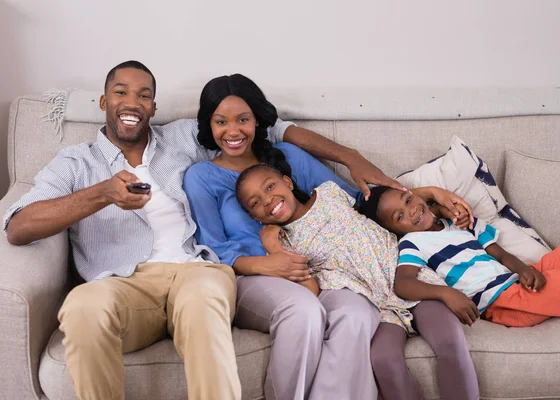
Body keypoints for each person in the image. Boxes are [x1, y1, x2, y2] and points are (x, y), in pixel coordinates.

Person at [2, 61, 416, 400]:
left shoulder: (180, 138)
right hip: (121, 282)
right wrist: (101, 195)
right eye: (121, 92)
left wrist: (350, 156)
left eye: (144, 94)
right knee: (81, 308)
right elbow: (19, 226)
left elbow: (263, 131)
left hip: (196, 271)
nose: (132, 102)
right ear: (102, 101)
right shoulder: (76, 162)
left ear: (153, 105)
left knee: (206, 300)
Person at [182, 73, 476, 400]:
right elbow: (213, 249)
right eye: (221, 121)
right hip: (254, 276)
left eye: (243, 119)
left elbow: (359, 202)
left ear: (257, 120)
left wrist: (429, 195)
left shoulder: (287, 158)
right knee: (313, 311)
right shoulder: (201, 177)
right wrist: (270, 263)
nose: (233, 131)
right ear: (208, 125)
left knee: (357, 313)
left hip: (334, 276)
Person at [234, 165, 480, 400]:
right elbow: (311, 291)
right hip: (377, 306)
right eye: (255, 203)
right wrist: (272, 246)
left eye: (269, 187)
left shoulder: (329, 192)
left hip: (408, 278)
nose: (267, 200)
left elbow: (379, 208)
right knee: (383, 360)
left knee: (448, 339)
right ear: (254, 216)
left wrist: (435, 206)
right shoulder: (283, 243)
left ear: (287, 182)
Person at [360, 185, 560, 329]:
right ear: (394, 230)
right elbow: (403, 284)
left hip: (517, 281)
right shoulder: (413, 242)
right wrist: (446, 293)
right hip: (503, 303)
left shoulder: (459, 223)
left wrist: (523, 269)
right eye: (399, 217)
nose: (411, 210)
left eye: (409, 200)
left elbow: (500, 253)